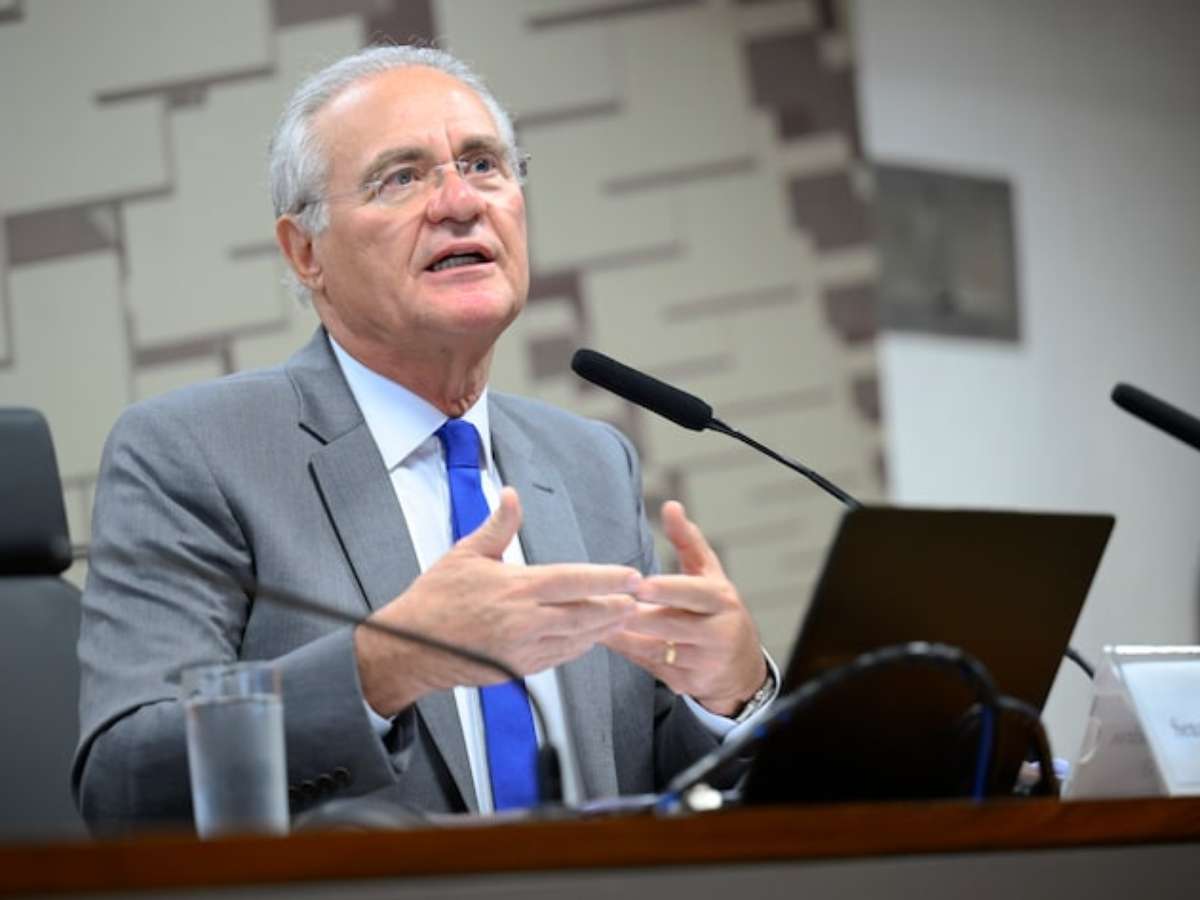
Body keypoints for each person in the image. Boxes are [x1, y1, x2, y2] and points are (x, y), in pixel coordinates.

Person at [73, 45, 773, 831]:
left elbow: (645, 784)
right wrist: (387, 663)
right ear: (306, 252)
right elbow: (125, 787)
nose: (459, 202)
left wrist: (726, 698)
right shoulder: (194, 453)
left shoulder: (589, 461)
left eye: (483, 164)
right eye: (401, 177)